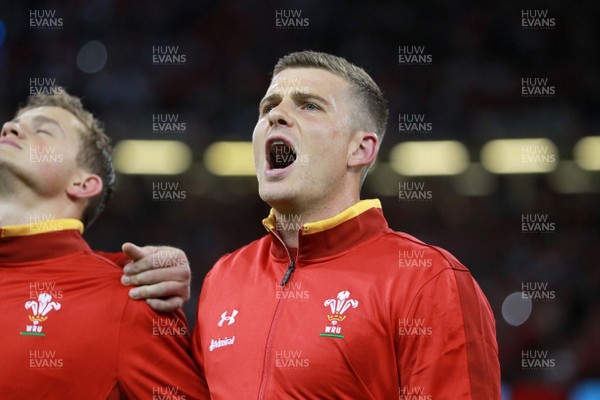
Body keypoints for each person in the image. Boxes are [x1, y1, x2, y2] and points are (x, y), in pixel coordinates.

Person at [192, 51, 501, 399]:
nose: (277, 115)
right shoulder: (222, 278)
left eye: (309, 105)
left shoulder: (428, 281)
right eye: (268, 107)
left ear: (360, 149)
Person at [0, 92, 209, 399]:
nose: (8, 128)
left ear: (83, 183)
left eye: (43, 130)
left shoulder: (128, 302)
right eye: (12, 124)